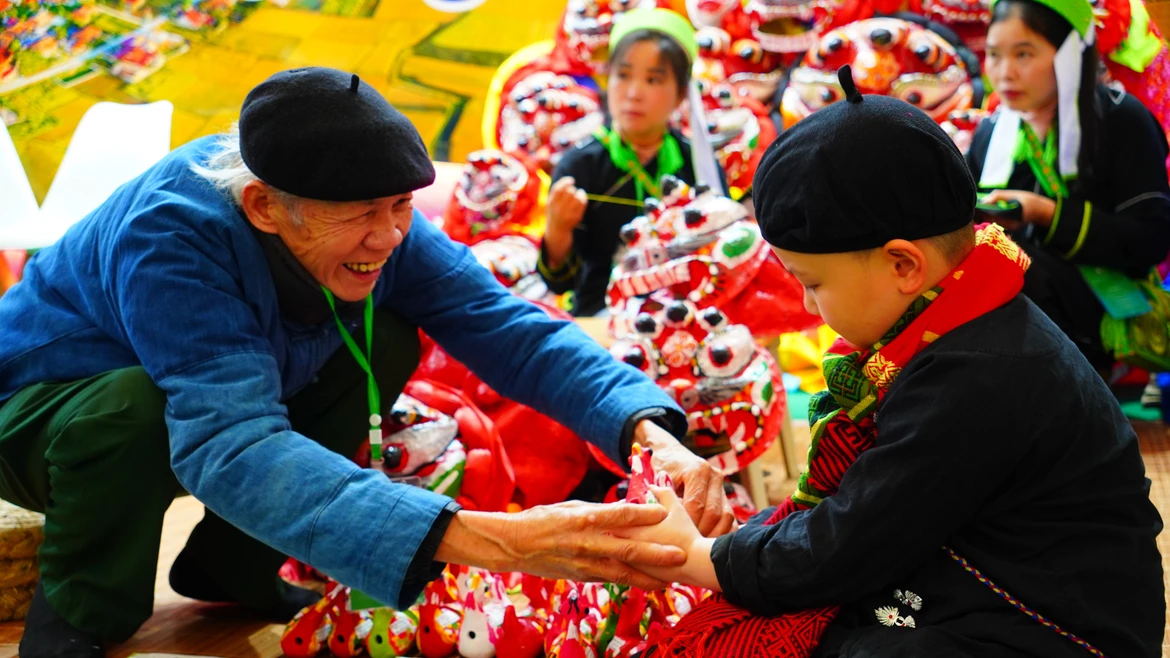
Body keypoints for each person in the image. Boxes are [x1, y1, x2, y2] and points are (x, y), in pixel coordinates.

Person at [0, 67, 736, 658]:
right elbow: (229, 444)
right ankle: (80, 608)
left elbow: (505, 325)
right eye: (363, 215)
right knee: (133, 407)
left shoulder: (366, 212)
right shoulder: (173, 237)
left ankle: (235, 566)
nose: (388, 236)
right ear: (261, 205)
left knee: (385, 332)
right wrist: (497, 542)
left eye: (401, 208)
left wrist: (646, 427)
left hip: (181, 405)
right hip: (39, 413)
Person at [618, 66, 1165, 657]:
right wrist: (749, 544)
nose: (806, 304)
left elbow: (850, 539)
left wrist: (702, 560)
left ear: (904, 266)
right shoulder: (963, 318)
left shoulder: (978, 373)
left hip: (1058, 627)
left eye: (812, 282)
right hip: (994, 575)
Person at [965, 0, 1170, 372]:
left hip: (1099, 311)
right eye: (994, 54)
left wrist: (1043, 212)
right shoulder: (991, 130)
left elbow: (1151, 239)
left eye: (1023, 54)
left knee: (1009, 264)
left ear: (1070, 53)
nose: (1004, 72)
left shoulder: (1122, 119)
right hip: (1011, 313)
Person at [539, 8, 723, 317]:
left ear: (680, 94)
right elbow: (559, 283)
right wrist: (557, 231)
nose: (634, 94)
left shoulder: (699, 165)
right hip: (600, 319)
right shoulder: (579, 165)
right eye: (623, 75)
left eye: (653, 79)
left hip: (687, 317)